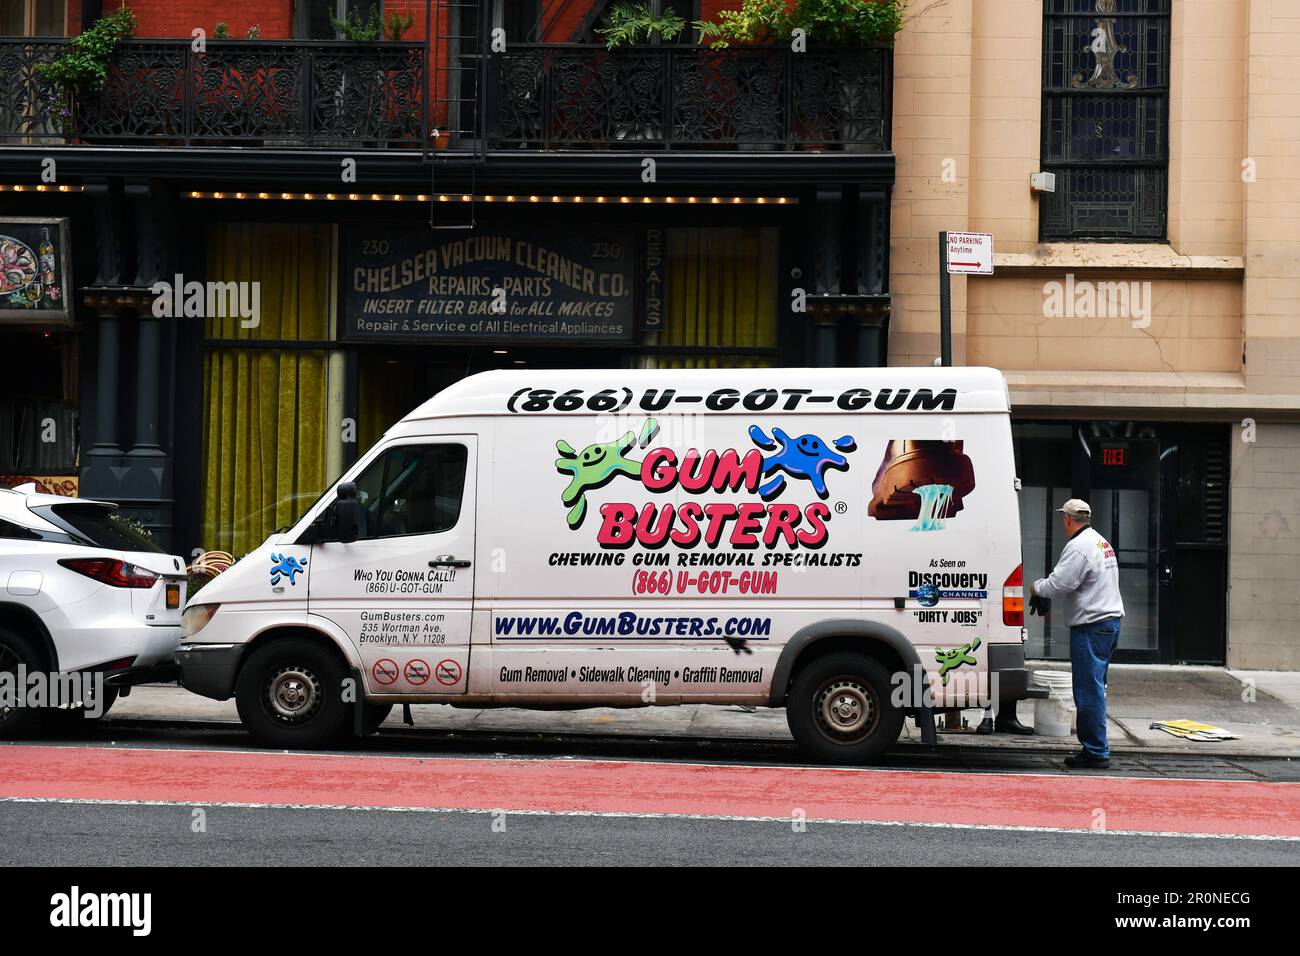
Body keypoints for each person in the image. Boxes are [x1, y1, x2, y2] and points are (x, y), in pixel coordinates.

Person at [1030, 499, 1124, 769]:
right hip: (1109, 623)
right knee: (1096, 687)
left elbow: (1060, 583)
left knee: (1088, 689)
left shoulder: (1078, 546)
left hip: (1092, 626)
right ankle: (1097, 747)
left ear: (1068, 519)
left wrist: (1036, 589)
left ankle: (1095, 751)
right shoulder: (1100, 542)